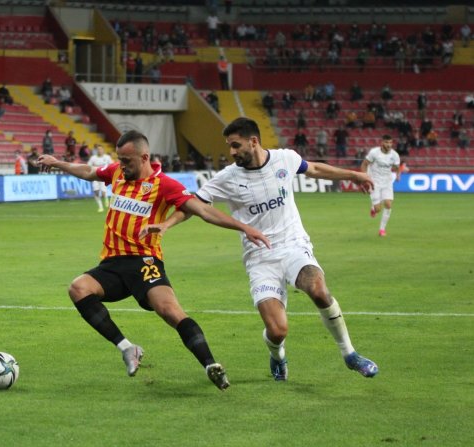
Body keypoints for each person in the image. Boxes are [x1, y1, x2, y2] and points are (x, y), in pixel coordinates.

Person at [141, 117, 379, 382]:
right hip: (259, 258)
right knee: (278, 330)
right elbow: (193, 204)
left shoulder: (285, 159)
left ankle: (350, 355)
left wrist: (354, 175)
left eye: (235, 145)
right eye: (229, 146)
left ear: (253, 141)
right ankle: (277, 355)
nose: (231, 152)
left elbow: (313, 169)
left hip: (294, 246)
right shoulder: (228, 177)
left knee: (318, 290)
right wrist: (166, 224)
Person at [35, 130, 271, 390]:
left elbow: (203, 210)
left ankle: (210, 364)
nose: (122, 166)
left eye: (127, 161)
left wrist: (244, 228)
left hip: (145, 263)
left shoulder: (165, 185)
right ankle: (127, 348)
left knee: (170, 311)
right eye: (120, 160)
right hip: (112, 265)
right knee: (78, 288)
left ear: (144, 157)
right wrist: (57, 163)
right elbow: (89, 172)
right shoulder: (116, 172)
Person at [360, 135, 400, 237]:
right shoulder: (374, 153)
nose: (389, 145)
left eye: (390, 143)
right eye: (387, 142)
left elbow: (396, 167)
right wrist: (365, 177)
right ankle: (374, 209)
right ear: (382, 143)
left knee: (388, 204)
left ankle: (382, 230)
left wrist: (398, 174)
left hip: (387, 182)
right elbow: (364, 164)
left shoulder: (395, 155)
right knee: (378, 209)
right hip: (374, 182)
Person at [87, 144, 113, 212]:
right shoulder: (93, 158)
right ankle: (100, 207)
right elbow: (88, 166)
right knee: (96, 192)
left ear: (103, 150)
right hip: (95, 177)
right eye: (98, 149)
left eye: (101, 149)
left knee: (103, 192)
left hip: (103, 177)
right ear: (96, 151)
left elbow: (112, 165)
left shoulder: (107, 157)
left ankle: (106, 199)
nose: (99, 151)